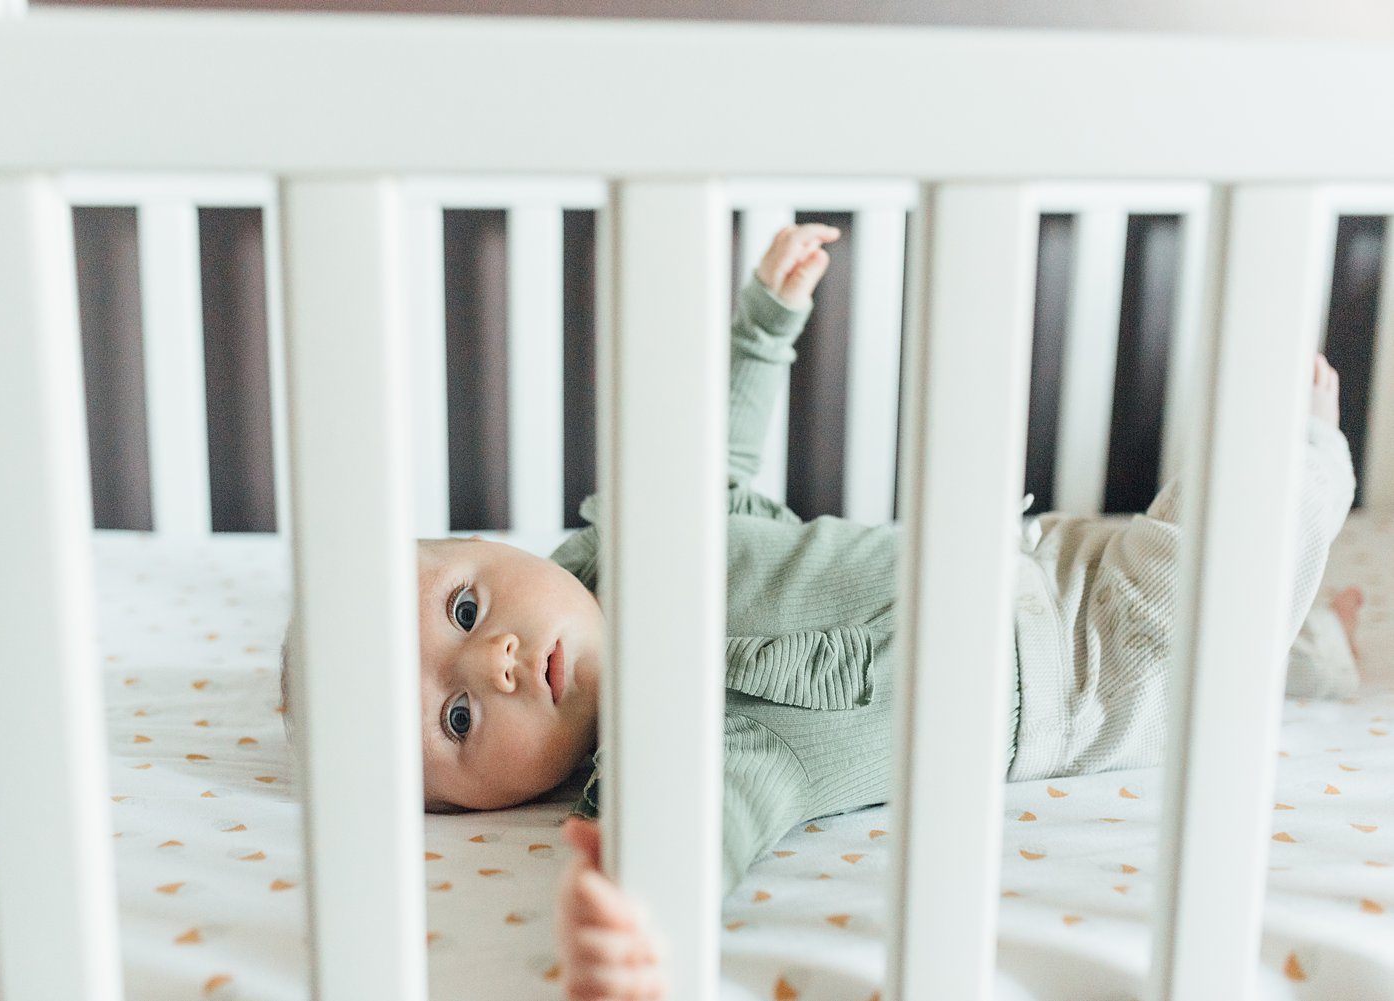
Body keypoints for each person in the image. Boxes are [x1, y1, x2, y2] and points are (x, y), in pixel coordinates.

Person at [279, 224, 1362, 1001]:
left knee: (1200, 590)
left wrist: (763, 328)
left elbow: (724, 454)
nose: (500, 661)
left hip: (1031, 552)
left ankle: (1315, 642)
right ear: (471, 810)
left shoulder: (639, 534)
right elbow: (693, 836)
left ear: (488, 543)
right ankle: (1311, 454)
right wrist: (629, 924)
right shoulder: (682, 750)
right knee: (1210, 559)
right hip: (1079, 678)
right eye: (458, 719)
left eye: (465, 607)